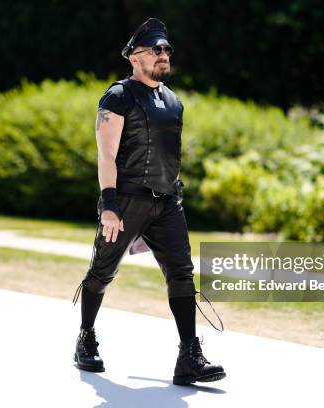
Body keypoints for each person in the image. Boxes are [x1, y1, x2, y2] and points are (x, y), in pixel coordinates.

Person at [72, 17, 226, 385]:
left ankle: (189, 356)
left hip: (167, 203)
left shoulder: (172, 101)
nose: (163, 54)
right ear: (134, 58)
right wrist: (108, 205)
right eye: (155, 49)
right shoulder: (118, 96)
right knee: (103, 270)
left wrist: (173, 192)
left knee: (182, 275)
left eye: (166, 49)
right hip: (125, 202)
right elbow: (106, 155)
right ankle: (86, 340)